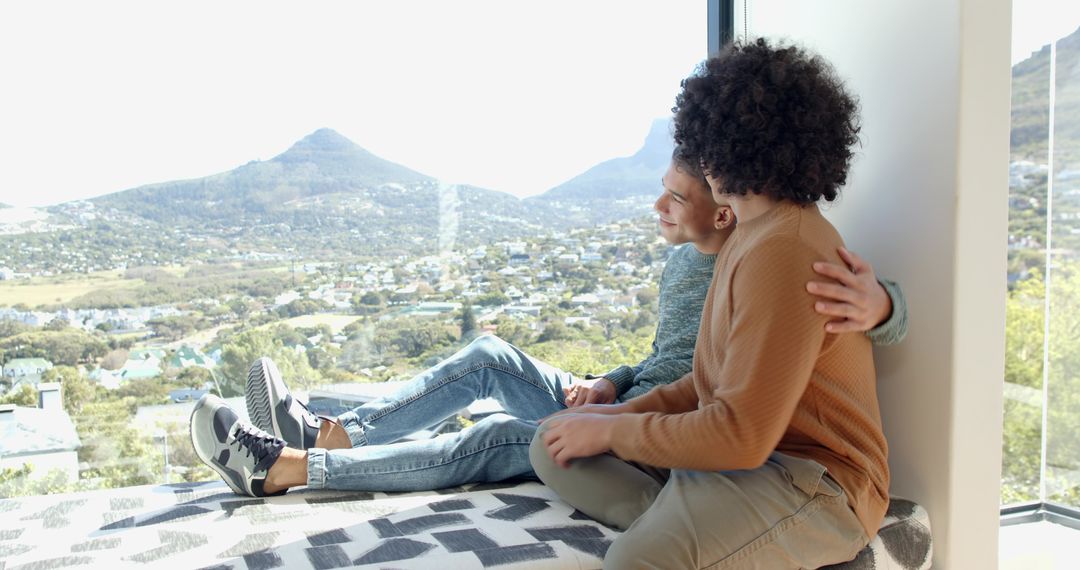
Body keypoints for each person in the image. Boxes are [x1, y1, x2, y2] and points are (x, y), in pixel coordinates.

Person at [191, 142, 906, 499]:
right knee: (490, 357)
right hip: (627, 396)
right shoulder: (691, 256)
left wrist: (885, 306)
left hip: (664, 433)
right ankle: (331, 426)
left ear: (724, 205)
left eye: (674, 196)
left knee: (498, 436)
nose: (658, 206)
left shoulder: (770, 257)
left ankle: (290, 467)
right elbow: (668, 360)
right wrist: (611, 379)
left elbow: (847, 312)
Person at [531, 39, 890, 569]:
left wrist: (612, 430)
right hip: (746, 463)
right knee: (551, 441)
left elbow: (740, 436)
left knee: (635, 562)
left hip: (818, 483)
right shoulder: (749, 233)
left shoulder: (785, 250)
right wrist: (622, 413)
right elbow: (706, 385)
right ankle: (696, 521)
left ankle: (691, 526)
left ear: (722, 144)